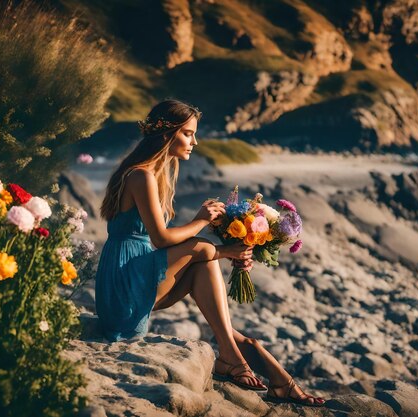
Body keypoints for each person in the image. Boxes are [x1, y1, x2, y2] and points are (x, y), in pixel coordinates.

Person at [96, 99, 325, 407]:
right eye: (189, 134)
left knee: (206, 269)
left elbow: (165, 244)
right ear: (167, 134)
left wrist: (223, 245)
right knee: (203, 249)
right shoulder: (141, 176)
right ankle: (234, 358)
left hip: (138, 276)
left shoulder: (158, 174)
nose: (195, 141)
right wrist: (207, 228)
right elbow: (162, 239)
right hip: (123, 288)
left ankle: (271, 374)